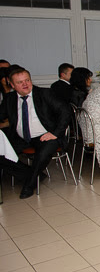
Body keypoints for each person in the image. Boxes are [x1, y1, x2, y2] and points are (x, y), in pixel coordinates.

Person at [0, 67, 71, 198]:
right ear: (12, 85)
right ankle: (34, 174)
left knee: (43, 153)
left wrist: (55, 133)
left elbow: (65, 111)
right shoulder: (9, 99)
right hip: (21, 138)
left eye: (27, 80)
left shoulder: (44, 93)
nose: (25, 84)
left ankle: (29, 185)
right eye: (20, 82)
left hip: (46, 135)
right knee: (2, 154)